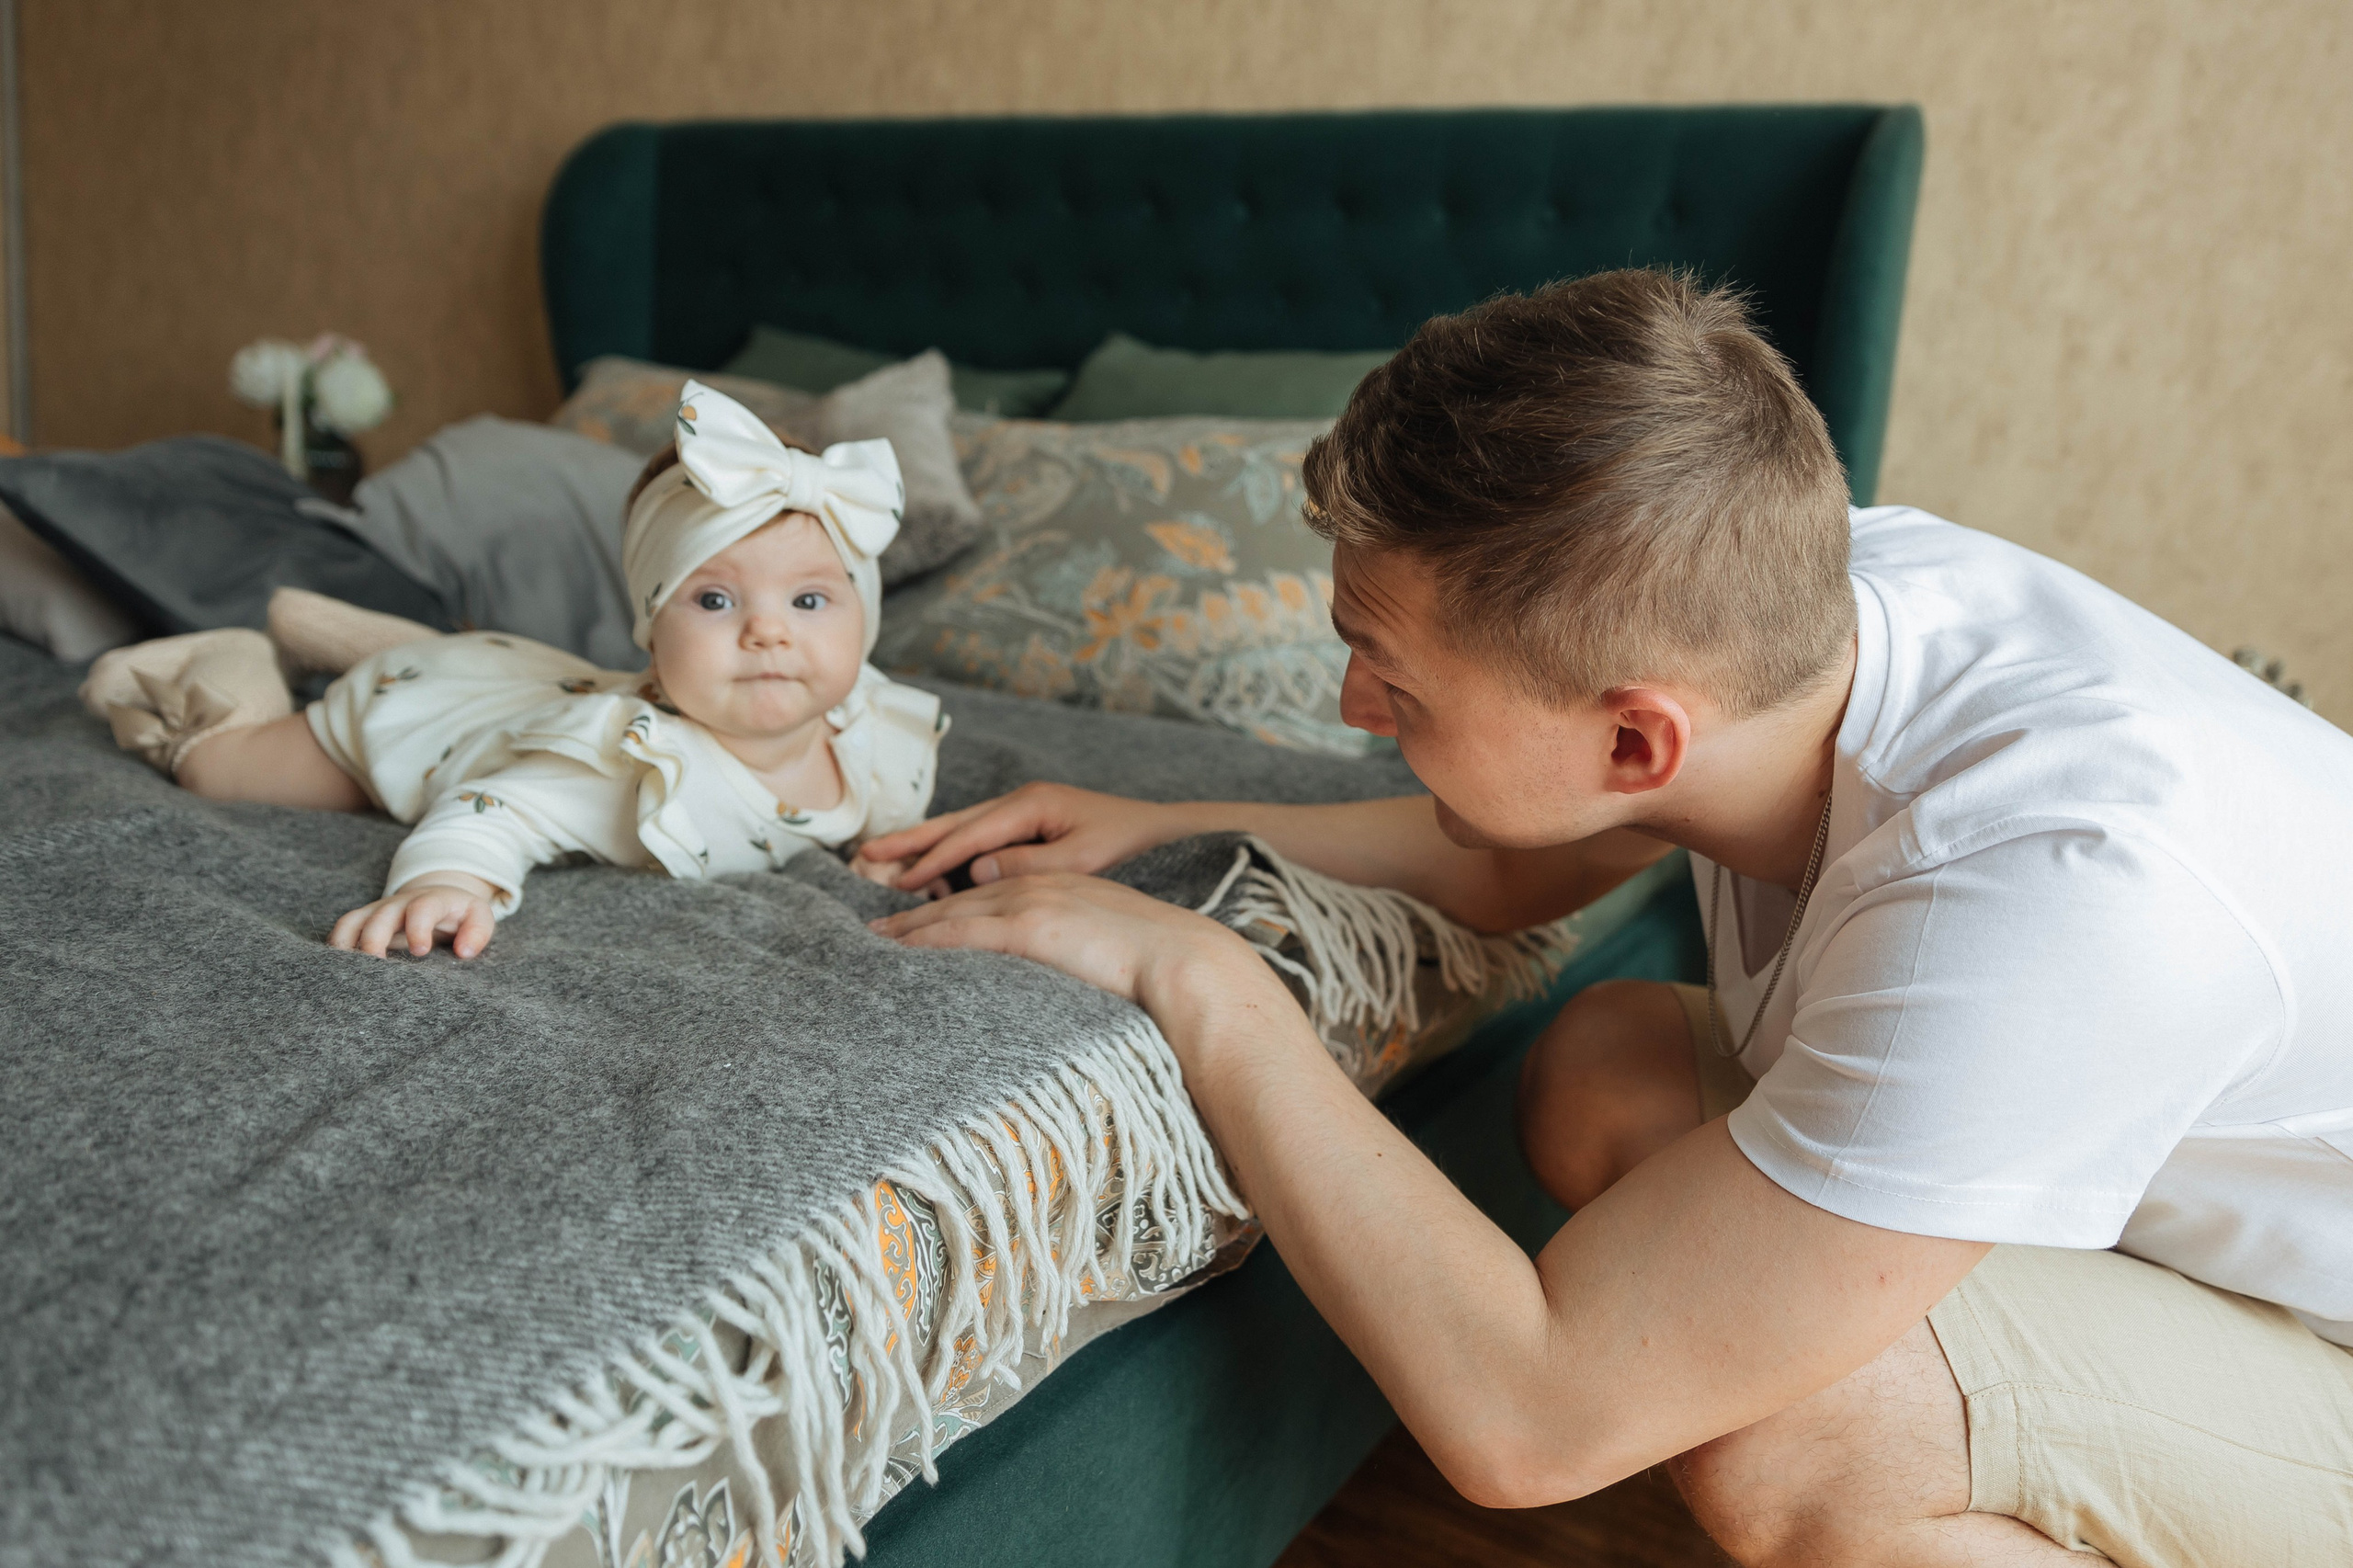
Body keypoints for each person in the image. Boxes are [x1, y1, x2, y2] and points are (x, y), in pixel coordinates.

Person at [860, 272, 2353, 1564]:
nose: (1349, 706)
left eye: (1391, 674)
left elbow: (1529, 1424)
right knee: (1610, 1062)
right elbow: (1522, 857)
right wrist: (1183, 831)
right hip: (2202, 1204)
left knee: (1800, 1444)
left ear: (1639, 739)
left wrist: (1205, 985)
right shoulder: (1773, 600)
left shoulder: (2037, 899)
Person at [81, 382, 947, 960]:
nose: (767, 633)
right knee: (222, 769)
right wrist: (446, 883)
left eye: (810, 602)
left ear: (862, 621)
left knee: (468, 667)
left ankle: (362, 635)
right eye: (715, 602)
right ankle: (238, 664)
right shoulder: (623, 760)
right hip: (428, 726)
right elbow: (491, 809)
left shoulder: (875, 739)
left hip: (510, 676)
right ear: (649, 631)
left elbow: (859, 824)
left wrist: (883, 858)